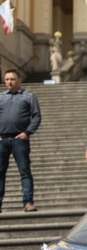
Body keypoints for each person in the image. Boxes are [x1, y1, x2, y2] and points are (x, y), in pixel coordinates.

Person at [0, 70, 41, 213]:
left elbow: (36, 116)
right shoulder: (1, 97)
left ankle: (28, 202)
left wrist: (27, 132)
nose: (9, 82)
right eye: (6, 79)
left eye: (12, 79)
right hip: (2, 140)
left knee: (24, 171)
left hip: (20, 139)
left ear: (19, 80)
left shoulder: (28, 96)